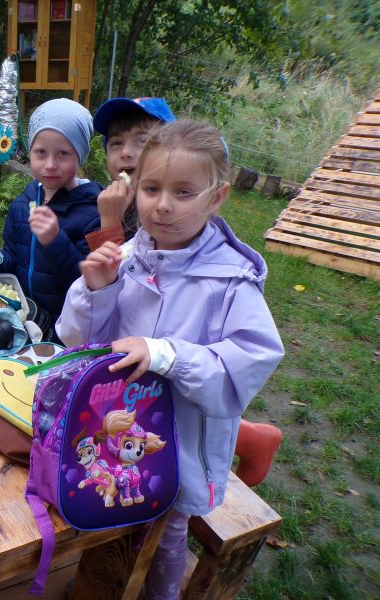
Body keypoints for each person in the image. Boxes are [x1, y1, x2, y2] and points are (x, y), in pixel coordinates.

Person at [56, 119, 284, 599]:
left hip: (179, 444)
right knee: (116, 513)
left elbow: (248, 361)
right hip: (119, 426)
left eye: (183, 192)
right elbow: (80, 342)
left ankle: (161, 594)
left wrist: (165, 354)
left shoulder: (230, 282)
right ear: (135, 188)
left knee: (165, 534)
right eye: (151, 188)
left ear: (217, 197)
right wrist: (97, 291)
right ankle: (104, 581)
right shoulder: (129, 256)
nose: (162, 205)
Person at [0, 97, 103, 325]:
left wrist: (55, 240)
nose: (50, 164)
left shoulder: (93, 214)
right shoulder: (23, 205)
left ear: (80, 156)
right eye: (41, 152)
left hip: (62, 326)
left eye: (63, 153)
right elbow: (12, 259)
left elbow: (86, 283)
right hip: (21, 315)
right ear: (30, 153)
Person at [85, 96, 176, 251]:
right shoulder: (107, 204)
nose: (125, 152)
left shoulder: (171, 211)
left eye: (142, 140)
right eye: (117, 143)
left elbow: (120, 267)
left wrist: (110, 225)